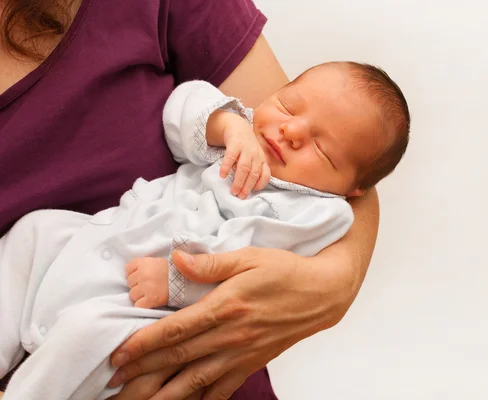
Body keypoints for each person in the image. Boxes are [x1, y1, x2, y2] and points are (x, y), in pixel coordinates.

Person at [0, 1, 383, 399]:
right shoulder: (244, 138)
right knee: (34, 232)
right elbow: (184, 111)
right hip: (103, 238)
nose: (290, 132)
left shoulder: (313, 212)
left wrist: (177, 283)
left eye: (321, 149)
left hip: (145, 303)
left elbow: (250, 270)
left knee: (88, 332)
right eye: (287, 106)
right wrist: (227, 122)